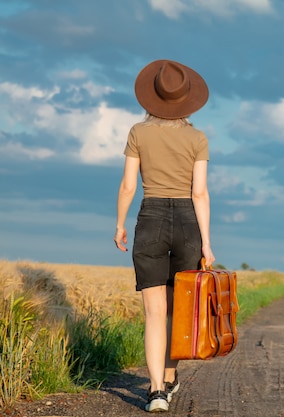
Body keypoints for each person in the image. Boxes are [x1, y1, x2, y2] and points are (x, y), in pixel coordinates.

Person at [114, 59, 215, 413]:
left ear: (151, 98)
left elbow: (129, 184)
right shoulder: (197, 138)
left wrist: (120, 223)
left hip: (151, 217)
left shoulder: (138, 133)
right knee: (178, 310)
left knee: (154, 312)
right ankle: (170, 378)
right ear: (187, 100)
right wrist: (206, 242)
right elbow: (200, 193)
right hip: (188, 222)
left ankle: (156, 390)